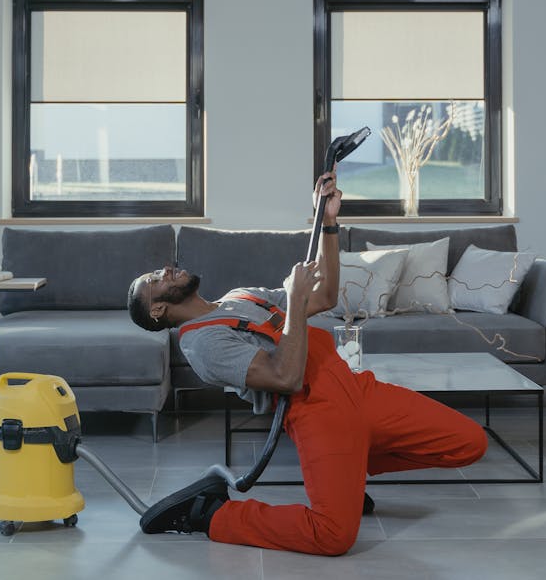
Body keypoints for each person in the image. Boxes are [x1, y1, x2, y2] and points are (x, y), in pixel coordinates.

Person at [127, 171, 487, 556]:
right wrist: (295, 302)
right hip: (316, 410)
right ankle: (210, 516)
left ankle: (346, 475)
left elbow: (327, 295)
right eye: (154, 280)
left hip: (355, 387)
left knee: (469, 443)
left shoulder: (240, 296)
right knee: (333, 536)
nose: (164, 269)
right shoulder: (200, 343)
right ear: (159, 309)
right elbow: (286, 377)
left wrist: (328, 224)